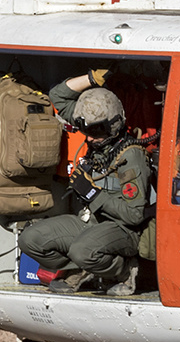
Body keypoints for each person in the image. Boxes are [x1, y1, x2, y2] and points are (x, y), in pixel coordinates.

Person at [19, 68, 150, 295]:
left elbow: (134, 215)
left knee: (83, 250)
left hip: (123, 230)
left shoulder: (131, 157)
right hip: (92, 221)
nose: (89, 138)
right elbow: (58, 96)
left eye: (96, 131)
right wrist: (90, 79)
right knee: (31, 240)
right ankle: (83, 270)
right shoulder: (95, 129)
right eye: (85, 131)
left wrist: (93, 194)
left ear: (114, 125)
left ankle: (126, 270)